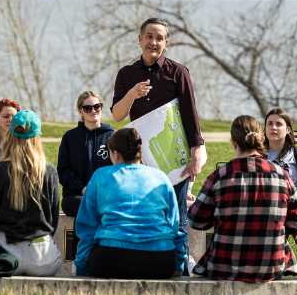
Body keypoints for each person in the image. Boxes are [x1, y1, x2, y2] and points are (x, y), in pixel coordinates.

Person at [111, 18, 205, 263]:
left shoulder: (179, 72)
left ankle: (179, 262)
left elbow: (190, 115)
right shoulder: (126, 74)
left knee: (177, 213)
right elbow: (118, 115)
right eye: (149, 37)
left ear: (166, 42)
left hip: (174, 159)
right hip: (140, 160)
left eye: (159, 38)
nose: (154, 42)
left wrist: (196, 154)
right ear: (140, 39)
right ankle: (148, 260)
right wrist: (132, 93)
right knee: (145, 211)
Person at [187, 115, 297, 282]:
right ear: (262, 140)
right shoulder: (283, 177)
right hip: (271, 266)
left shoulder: (219, 176)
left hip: (223, 265)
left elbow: (196, 221)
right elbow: (294, 224)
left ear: (233, 142)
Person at [74, 128, 185, 279]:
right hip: (161, 260)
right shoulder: (161, 177)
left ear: (116, 153)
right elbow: (174, 225)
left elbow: (87, 227)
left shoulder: (100, 176)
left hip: (111, 259)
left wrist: (81, 268)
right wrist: (178, 265)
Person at [0, 110, 62, 277]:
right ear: (37, 137)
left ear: (10, 135)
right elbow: (52, 218)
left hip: (7, 255)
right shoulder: (49, 171)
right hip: (43, 258)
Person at [58, 90, 113, 217]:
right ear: (80, 111)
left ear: (101, 107)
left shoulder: (112, 137)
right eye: (87, 108)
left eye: (97, 106)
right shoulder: (69, 137)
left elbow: (118, 171)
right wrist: (83, 190)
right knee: (86, 204)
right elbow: (63, 172)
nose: (93, 111)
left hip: (105, 195)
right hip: (75, 196)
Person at [263, 107, 297, 226]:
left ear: (288, 130)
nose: (273, 127)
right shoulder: (257, 155)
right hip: (264, 205)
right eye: (270, 124)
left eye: (279, 124)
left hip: (295, 207)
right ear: (265, 129)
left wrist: (292, 197)